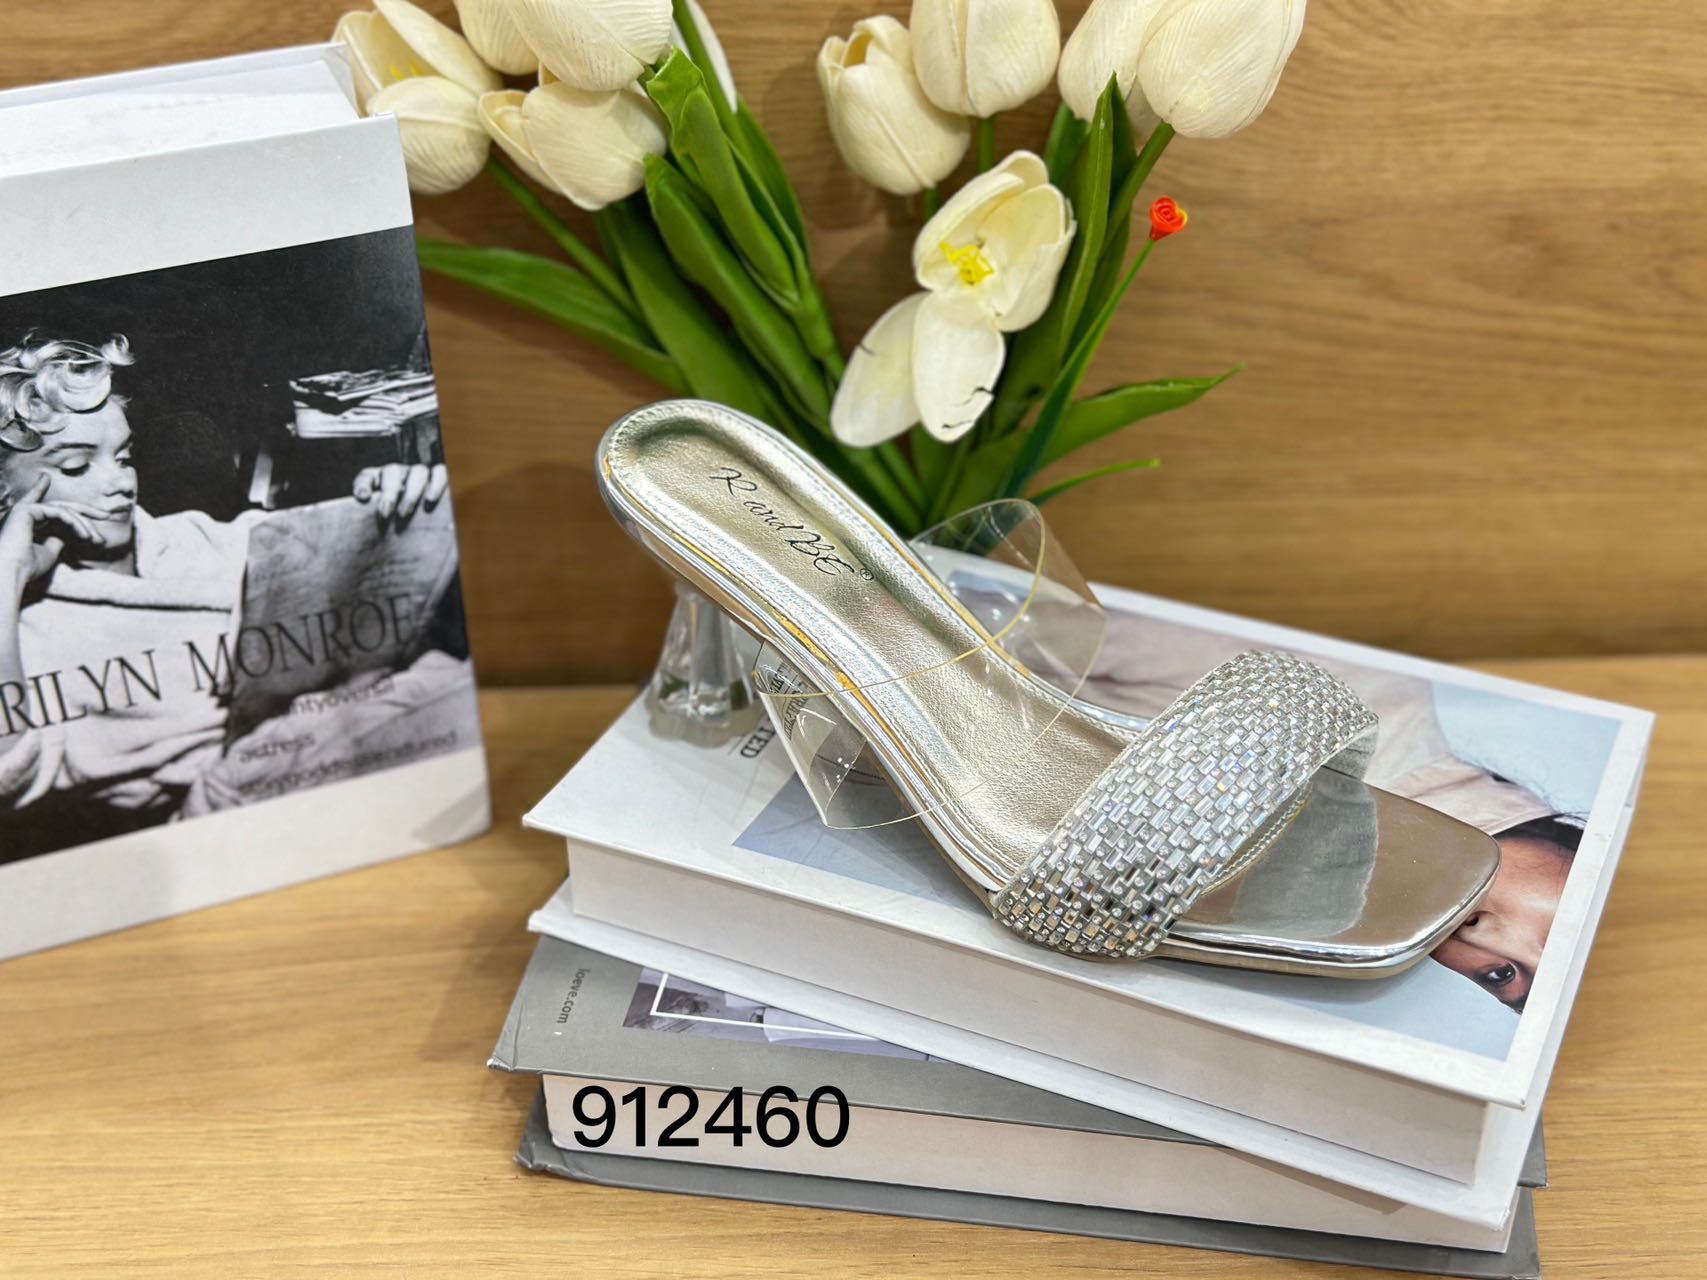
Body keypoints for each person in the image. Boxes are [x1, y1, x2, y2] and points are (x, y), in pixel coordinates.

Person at [0, 334, 450, 855]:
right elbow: (9, 774)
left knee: (443, 683)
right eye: (76, 467)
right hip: (223, 808)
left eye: (124, 457)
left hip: (332, 740)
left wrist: (389, 507)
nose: (120, 483)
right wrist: (6, 577)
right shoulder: (23, 633)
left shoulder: (196, 537)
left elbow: (316, 553)